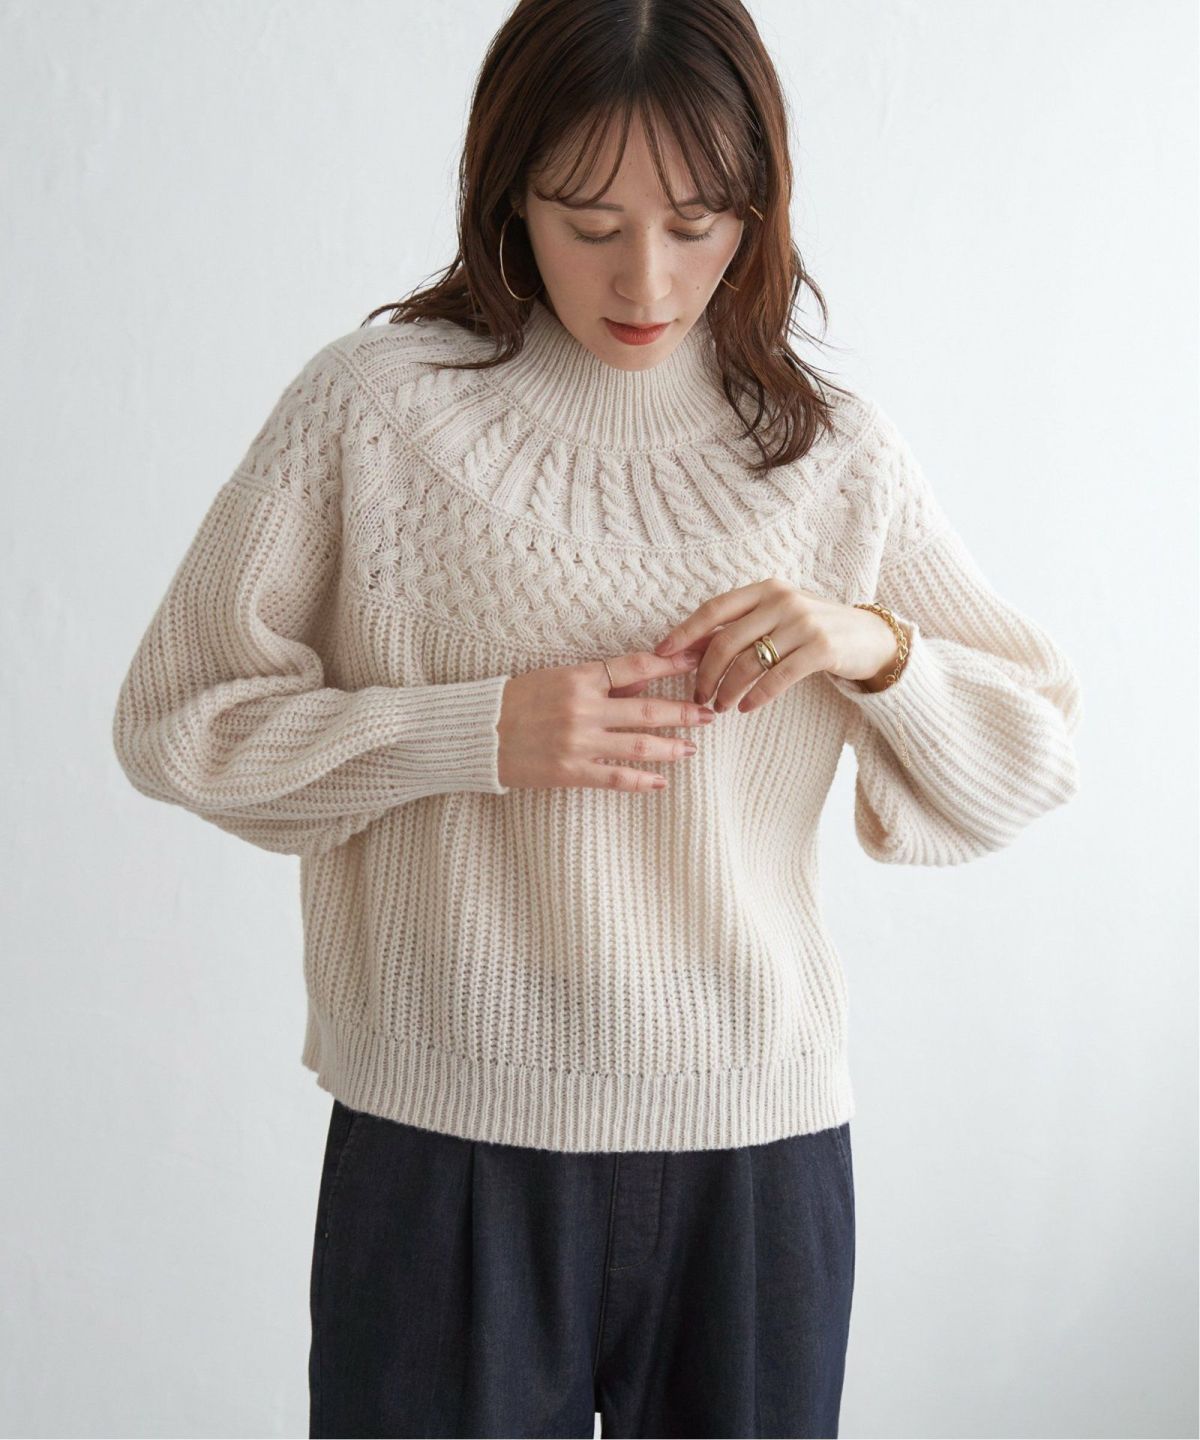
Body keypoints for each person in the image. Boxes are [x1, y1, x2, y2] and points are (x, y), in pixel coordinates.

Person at [110, 1, 1083, 1435]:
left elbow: (1031, 759)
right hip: (446, 1145)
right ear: (509, 194)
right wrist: (472, 732)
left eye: (698, 224)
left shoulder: (829, 458)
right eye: (589, 222)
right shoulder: (376, 412)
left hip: (755, 1151)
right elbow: (179, 720)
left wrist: (876, 647)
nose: (646, 278)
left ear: (759, 210)